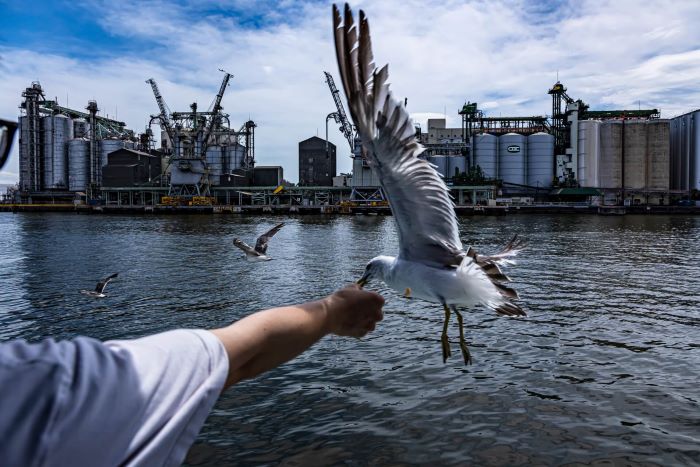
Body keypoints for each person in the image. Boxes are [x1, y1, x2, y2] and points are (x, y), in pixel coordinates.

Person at [0, 285, 385, 466]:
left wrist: (330, 311)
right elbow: (240, 352)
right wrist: (331, 311)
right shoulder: (50, 386)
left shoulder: (35, 382)